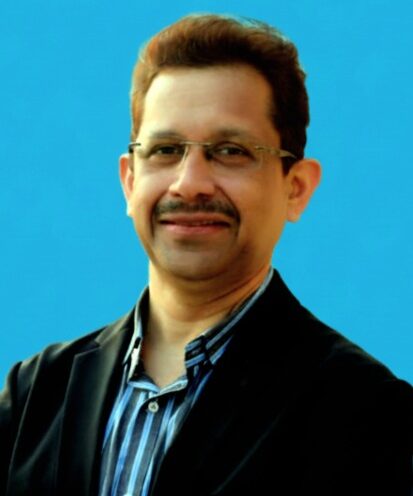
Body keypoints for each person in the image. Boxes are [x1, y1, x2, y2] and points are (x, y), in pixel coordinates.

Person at [0, 13, 412, 496]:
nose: (189, 183)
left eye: (230, 151)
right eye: (166, 150)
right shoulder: (36, 393)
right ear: (129, 181)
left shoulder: (368, 415)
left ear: (296, 188)